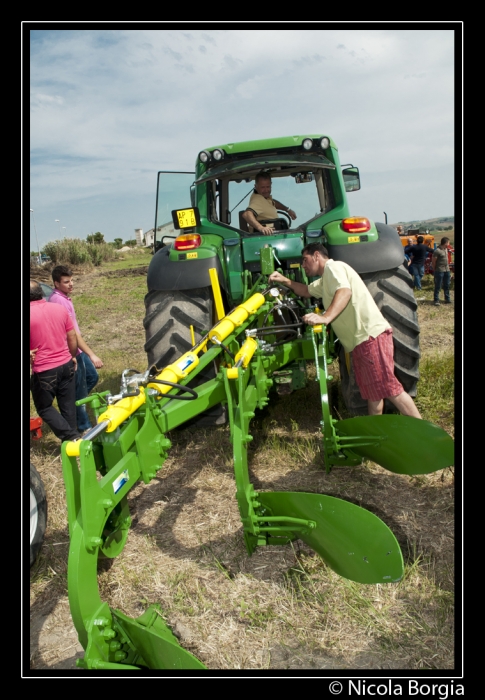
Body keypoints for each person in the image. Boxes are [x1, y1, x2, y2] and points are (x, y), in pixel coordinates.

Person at [268, 243, 422, 418]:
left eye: (305, 259)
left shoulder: (334, 267)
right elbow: (305, 290)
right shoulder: (326, 279)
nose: (303, 265)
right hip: (359, 342)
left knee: (389, 387)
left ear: (317, 255)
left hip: (369, 336)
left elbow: (344, 292)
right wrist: (284, 280)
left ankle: (424, 432)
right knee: (373, 392)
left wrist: (325, 317)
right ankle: (376, 433)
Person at [49, 265, 104, 432]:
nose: (71, 284)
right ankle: (84, 427)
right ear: (56, 283)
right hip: (72, 351)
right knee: (79, 391)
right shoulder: (58, 301)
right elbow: (71, 334)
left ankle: (72, 404)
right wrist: (92, 355)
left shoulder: (63, 297)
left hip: (77, 350)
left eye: (72, 280)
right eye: (66, 282)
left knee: (91, 377)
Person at [30, 279, 81, 442]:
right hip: (66, 364)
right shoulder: (58, 309)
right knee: (68, 405)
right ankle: (73, 443)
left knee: (44, 407)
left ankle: (71, 437)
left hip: (44, 369)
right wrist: (72, 356)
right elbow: (71, 335)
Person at [431, 237, 452, 306]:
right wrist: (435, 269)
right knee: (438, 285)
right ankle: (436, 300)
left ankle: (447, 298)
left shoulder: (446, 249)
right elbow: (433, 261)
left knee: (447, 285)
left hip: (447, 270)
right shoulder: (437, 251)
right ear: (445, 243)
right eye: (448, 242)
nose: (449, 244)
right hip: (439, 270)